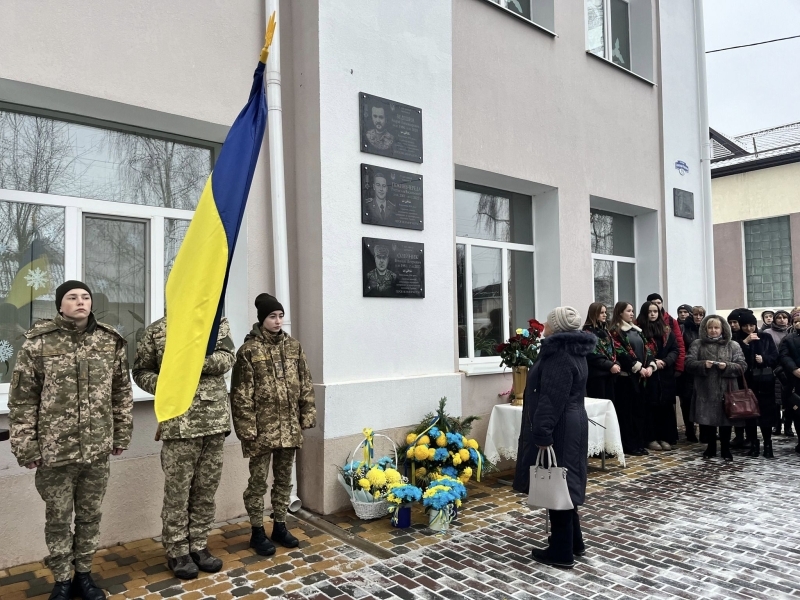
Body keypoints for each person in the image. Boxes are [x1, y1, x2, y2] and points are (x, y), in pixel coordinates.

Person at [7, 281, 133, 600]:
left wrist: (121, 433)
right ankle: (62, 579)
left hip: (97, 449)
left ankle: (84, 576)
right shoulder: (38, 343)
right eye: (72, 297)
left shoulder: (110, 341)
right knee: (59, 518)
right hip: (54, 451)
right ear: (60, 305)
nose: (80, 302)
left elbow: (121, 392)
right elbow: (22, 400)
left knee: (90, 515)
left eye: (86, 297)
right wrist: (26, 446)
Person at [132, 316, 236, 579]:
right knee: (177, 493)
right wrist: (168, 384)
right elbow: (141, 371)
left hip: (213, 422)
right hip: (178, 425)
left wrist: (195, 364)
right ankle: (177, 550)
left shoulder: (216, 325)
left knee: (205, 490)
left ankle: (199, 544)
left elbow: (228, 357)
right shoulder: (156, 331)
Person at [230, 294, 316, 556]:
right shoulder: (248, 351)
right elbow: (240, 395)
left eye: (280, 316)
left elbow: (305, 384)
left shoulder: (293, 347)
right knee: (257, 483)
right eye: (272, 316)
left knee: (283, 480)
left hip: (289, 428)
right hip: (260, 431)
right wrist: (247, 430)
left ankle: (280, 525)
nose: (278, 321)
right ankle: (257, 531)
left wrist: (306, 415)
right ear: (262, 319)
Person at [513, 306, 594, 569]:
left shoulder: (559, 354)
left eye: (548, 322)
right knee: (565, 484)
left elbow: (551, 398)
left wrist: (542, 432)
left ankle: (561, 551)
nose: (544, 326)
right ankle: (573, 542)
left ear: (556, 328)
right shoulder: (573, 350)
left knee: (557, 483)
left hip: (561, 427)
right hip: (572, 422)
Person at [685, 315, 747, 462]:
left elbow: (742, 365)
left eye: (716, 327)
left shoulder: (733, 345)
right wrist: (701, 365)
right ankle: (711, 446)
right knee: (708, 420)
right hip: (705, 389)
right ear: (705, 329)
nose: (713, 330)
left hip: (727, 388)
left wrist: (727, 366)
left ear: (723, 329)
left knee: (725, 420)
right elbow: (688, 363)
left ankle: (725, 448)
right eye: (710, 328)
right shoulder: (697, 344)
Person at [609, 301, 656, 456]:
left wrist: (649, 366)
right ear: (620, 312)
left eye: (632, 310)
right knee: (627, 413)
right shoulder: (616, 331)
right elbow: (621, 352)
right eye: (628, 311)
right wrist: (637, 367)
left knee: (639, 412)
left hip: (641, 378)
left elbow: (647, 349)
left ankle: (639, 442)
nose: (632, 313)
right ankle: (629, 444)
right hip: (626, 379)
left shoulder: (637, 330)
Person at [735, 312, 778, 458]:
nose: (749, 328)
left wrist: (764, 359)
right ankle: (753, 443)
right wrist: (745, 343)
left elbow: (775, 357)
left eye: (751, 325)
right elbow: (737, 359)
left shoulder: (765, 336)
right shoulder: (737, 339)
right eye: (745, 326)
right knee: (749, 414)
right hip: (747, 383)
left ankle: (767, 444)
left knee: (766, 415)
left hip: (765, 383)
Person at [637, 302, 679, 451]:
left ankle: (665, 437)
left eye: (655, 311)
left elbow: (675, 350)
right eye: (650, 312)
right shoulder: (640, 331)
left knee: (665, 407)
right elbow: (639, 351)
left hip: (665, 374)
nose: (653, 314)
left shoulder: (667, 331)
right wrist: (653, 362)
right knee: (650, 407)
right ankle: (651, 438)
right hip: (649, 373)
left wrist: (666, 361)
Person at [678, 306, 705, 442]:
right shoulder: (684, 328)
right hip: (688, 369)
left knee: (703, 399)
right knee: (687, 400)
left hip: (704, 370)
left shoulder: (707, 328)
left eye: (701, 315)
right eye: (696, 315)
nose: (698, 317)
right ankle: (690, 431)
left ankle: (705, 431)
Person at [582, 302, 619, 401]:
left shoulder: (604, 330)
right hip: (597, 376)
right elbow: (592, 355)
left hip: (609, 375)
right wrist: (610, 365)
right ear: (594, 314)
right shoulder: (587, 332)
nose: (605, 315)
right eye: (601, 312)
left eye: (605, 312)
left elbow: (612, 349)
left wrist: (615, 363)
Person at [765, 310, 793, 436]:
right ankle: (776, 426)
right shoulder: (768, 333)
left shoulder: (792, 332)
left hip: (789, 370)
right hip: (773, 370)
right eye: (779, 317)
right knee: (775, 401)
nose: (782, 320)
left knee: (789, 400)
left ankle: (788, 426)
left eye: (785, 317)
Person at [646, 293, 686, 375]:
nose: (657, 305)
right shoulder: (640, 323)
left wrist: (679, 367)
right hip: (647, 367)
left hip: (667, 365)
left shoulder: (670, 321)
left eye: (659, 303)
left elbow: (678, 344)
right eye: (654, 303)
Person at [778, 310, 800, 455]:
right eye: (796, 321)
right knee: (798, 413)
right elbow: (784, 356)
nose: (798, 323)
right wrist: (794, 369)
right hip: (796, 381)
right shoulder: (788, 339)